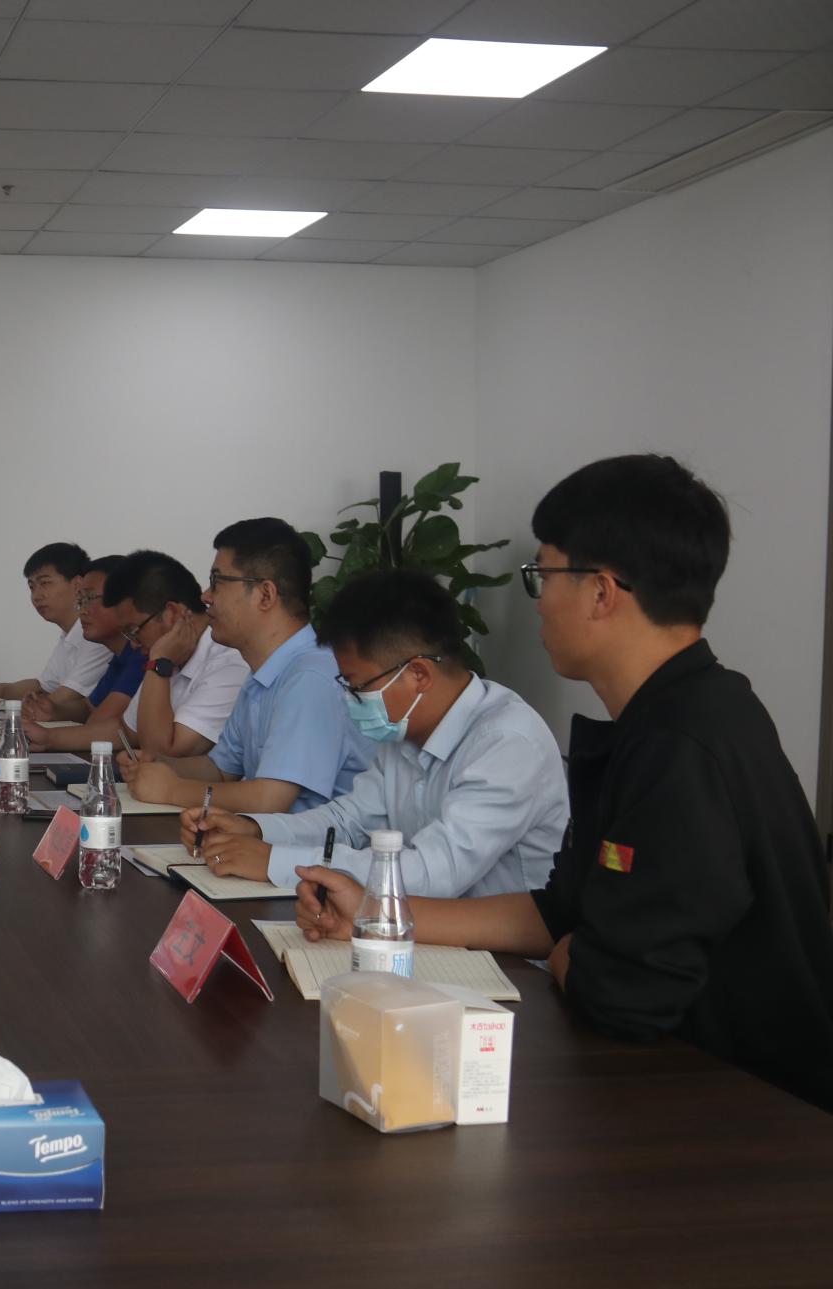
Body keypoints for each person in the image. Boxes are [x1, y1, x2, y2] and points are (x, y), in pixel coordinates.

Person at [298, 456, 833, 1112]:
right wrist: (379, 914)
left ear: (602, 592)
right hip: (665, 1081)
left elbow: (617, 993)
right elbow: (559, 911)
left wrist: (574, 953)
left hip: (737, 1108)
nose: (539, 601)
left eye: (543, 575)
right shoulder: (668, 718)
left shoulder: (681, 746)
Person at [188, 568, 566, 898]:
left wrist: (275, 861)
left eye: (358, 686)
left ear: (418, 675)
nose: (350, 699)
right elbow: (347, 822)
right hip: (415, 927)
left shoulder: (507, 743)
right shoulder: (406, 732)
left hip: (499, 953)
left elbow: (434, 872)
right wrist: (254, 828)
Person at [128, 518, 371, 814]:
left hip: (325, 843)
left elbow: (269, 799)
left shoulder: (311, 676)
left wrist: (171, 789)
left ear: (265, 595)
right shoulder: (262, 674)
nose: (205, 596)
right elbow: (221, 770)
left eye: (217, 582)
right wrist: (160, 766)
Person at [105, 550, 247, 761]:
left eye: (134, 631)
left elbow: (163, 752)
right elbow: (128, 731)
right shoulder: (170, 654)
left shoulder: (232, 661)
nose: (133, 644)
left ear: (171, 613)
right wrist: (53, 737)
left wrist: (159, 662)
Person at [0, 542, 110, 716]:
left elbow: (61, 699)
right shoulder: (70, 634)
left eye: (45, 583)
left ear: (78, 585)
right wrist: (0, 690)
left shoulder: (98, 638)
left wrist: (16, 714)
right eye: (32, 587)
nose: (36, 596)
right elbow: (42, 686)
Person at [21, 555, 137, 748]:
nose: (82, 610)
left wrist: (50, 737)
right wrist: (54, 711)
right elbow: (89, 707)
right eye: (81, 601)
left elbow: (97, 721)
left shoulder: (141, 656)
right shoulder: (121, 656)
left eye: (90, 599)